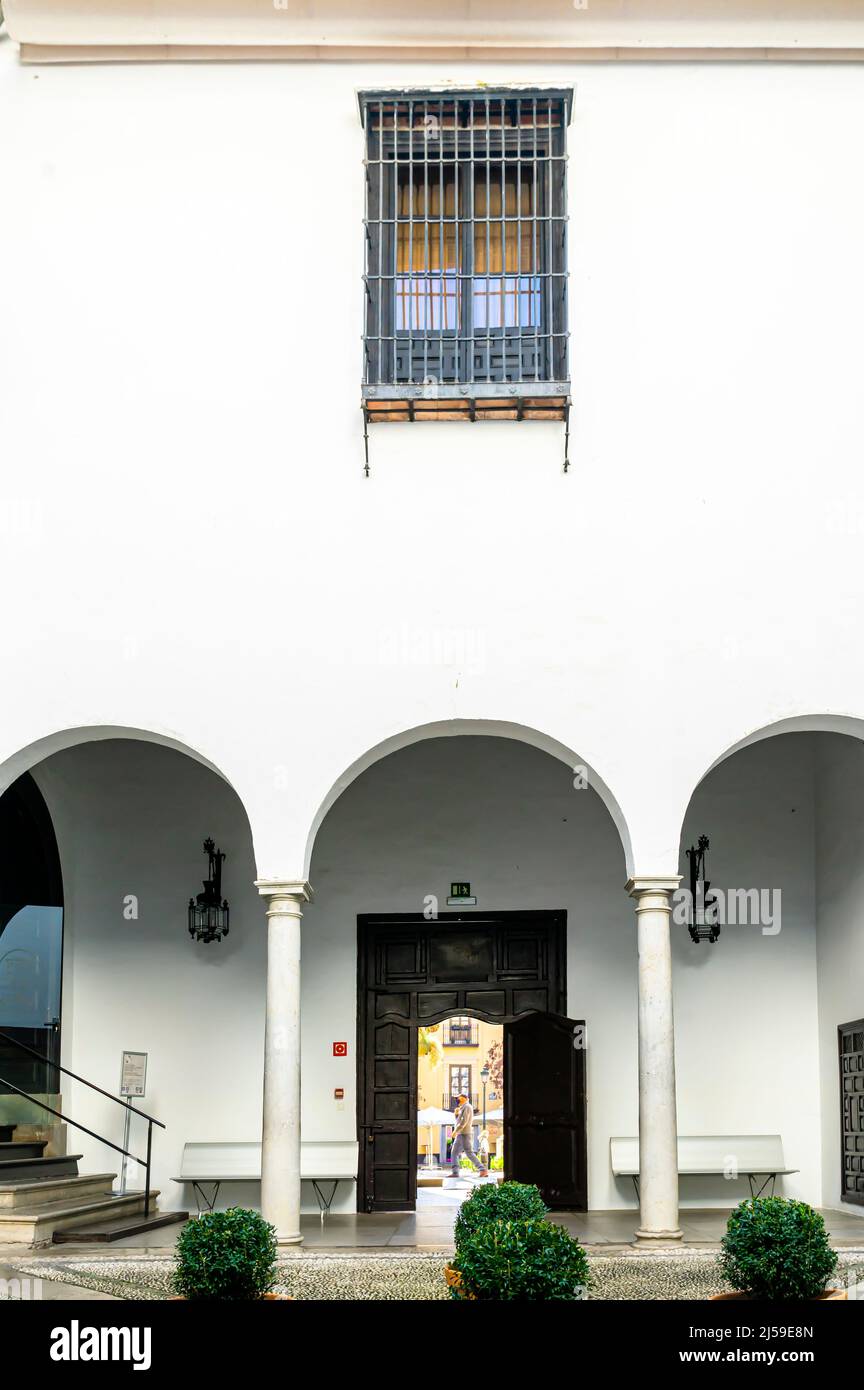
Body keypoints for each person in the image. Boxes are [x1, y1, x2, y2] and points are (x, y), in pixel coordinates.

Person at [450, 1094, 487, 1178]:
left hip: (464, 1133)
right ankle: (455, 1172)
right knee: (455, 1152)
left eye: (459, 1097)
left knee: (468, 1152)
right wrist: (456, 1114)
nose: (457, 1099)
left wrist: (456, 1131)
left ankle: (482, 1169)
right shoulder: (463, 1107)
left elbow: (464, 1121)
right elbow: (459, 1121)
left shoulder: (467, 1106)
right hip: (462, 1133)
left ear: (465, 1098)